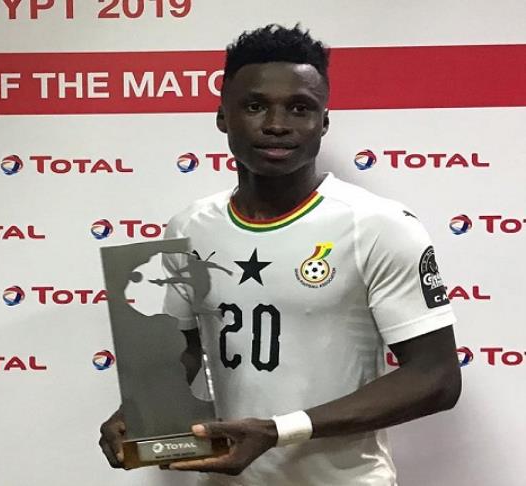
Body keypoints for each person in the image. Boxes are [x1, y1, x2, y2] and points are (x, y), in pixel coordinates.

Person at [99, 24, 461, 485]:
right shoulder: (189, 227)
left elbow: (436, 377)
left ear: (323, 123)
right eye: (255, 106)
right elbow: (184, 347)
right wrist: (140, 410)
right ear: (222, 116)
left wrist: (278, 432)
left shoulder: (377, 226)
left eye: (300, 108)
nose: (276, 124)